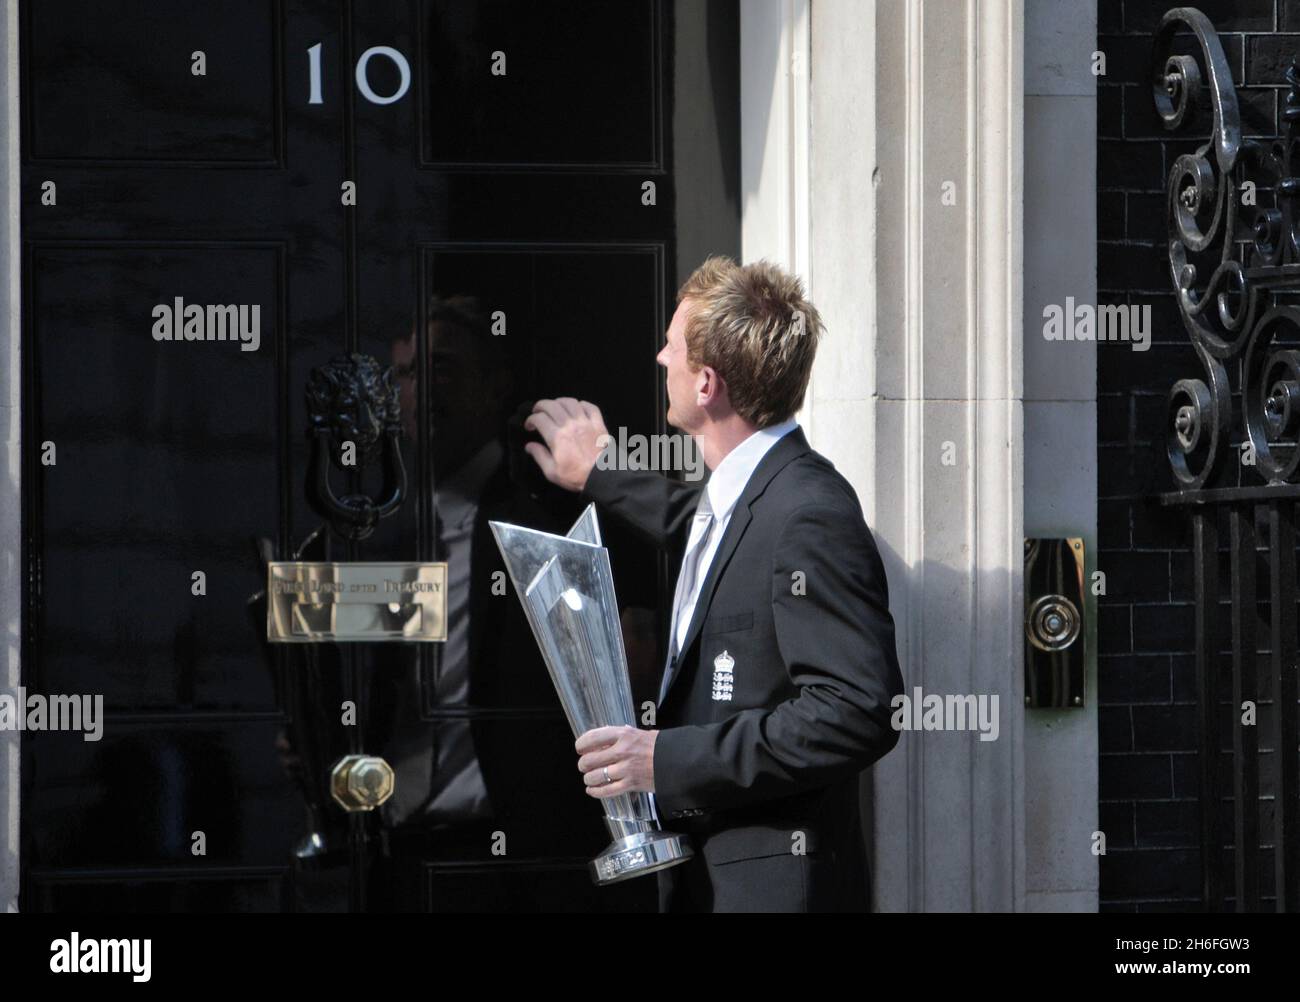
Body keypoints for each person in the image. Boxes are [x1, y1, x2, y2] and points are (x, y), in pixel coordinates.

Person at [522, 256, 905, 912]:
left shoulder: (809, 511)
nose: (659, 355)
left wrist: (664, 760)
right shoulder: (745, 499)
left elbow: (856, 711)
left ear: (706, 384)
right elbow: (695, 525)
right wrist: (601, 473)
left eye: (672, 345)